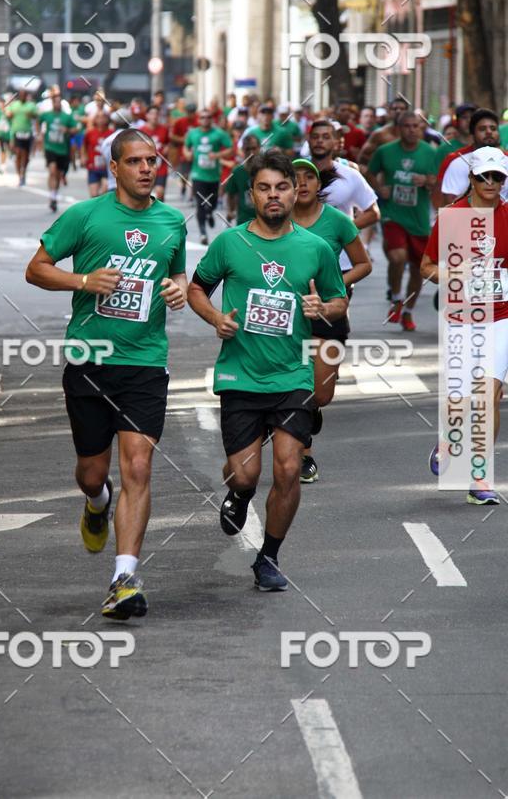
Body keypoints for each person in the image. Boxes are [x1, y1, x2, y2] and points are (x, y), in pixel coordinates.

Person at [25, 129, 188, 619]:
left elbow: (176, 272)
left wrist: (178, 289)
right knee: (92, 471)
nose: (145, 168)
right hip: (90, 359)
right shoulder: (86, 215)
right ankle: (97, 502)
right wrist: (82, 280)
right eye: (135, 161)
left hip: (144, 362)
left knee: (138, 464)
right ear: (113, 168)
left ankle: (124, 577)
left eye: (152, 160)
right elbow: (36, 268)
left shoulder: (171, 221)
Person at [187, 149, 347, 591]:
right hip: (240, 374)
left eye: (281, 187)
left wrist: (323, 307)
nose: (273, 196)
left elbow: (339, 300)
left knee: (290, 468)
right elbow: (197, 288)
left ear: (295, 192)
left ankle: (269, 558)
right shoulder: (230, 243)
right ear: (251, 194)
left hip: (292, 375)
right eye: (264, 188)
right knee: (245, 474)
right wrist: (215, 317)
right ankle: (238, 495)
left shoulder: (315, 248)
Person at [421, 147, 508, 505]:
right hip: (460, 319)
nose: (490, 183)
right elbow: (427, 267)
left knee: (489, 396)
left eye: (497, 177)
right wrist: (454, 273)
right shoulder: (452, 217)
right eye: (483, 176)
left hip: (501, 317)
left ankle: (480, 476)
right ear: (471, 178)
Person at [291, 158, 372, 483]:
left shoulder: (338, 221)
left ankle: (312, 412)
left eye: (308, 177)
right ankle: (303, 453)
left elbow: (363, 264)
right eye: (294, 178)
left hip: (330, 312)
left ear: (318, 183)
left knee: (321, 394)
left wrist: (336, 286)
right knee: (296, 385)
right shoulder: (275, 220)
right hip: (288, 314)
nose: (302, 183)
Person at [367, 111, 437, 330]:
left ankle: (407, 311)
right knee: (397, 257)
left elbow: (436, 181)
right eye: (407, 126)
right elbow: (369, 173)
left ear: (421, 129)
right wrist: (380, 189)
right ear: (399, 129)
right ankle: (396, 297)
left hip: (418, 218)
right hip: (392, 215)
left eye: (416, 126)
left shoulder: (430, 153)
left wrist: (426, 180)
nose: (412, 130)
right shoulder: (385, 151)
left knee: (419, 269)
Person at [303, 119, 381, 265]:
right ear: (308, 140)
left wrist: (344, 230)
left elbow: (373, 213)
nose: (319, 141)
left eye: (326, 137)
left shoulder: (350, 175)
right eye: (315, 137)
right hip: (302, 257)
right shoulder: (294, 172)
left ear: (335, 142)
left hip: (341, 261)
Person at [434, 108, 508, 207]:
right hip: (465, 220)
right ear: (472, 133)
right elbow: (444, 202)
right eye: (482, 129)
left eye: (493, 128)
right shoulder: (455, 161)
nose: (489, 132)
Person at [184, 108, 233, 245]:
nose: (205, 119)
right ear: (199, 119)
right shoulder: (193, 133)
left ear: (212, 119)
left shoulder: (219, 134)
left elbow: (230, 148)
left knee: (213, 202)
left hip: (213, 176)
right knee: (200, 204)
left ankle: (210, 213)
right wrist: (187, 153)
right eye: (203, 117)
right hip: (198, 175)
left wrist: (217, 155)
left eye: (208, 117)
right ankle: (203, 233)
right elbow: (186, 147)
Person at [38, 92, 78, 212]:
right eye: (55, 102)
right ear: (52, 103)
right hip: (50, 147)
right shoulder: (46, 115)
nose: (57, 104)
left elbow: (75, 129)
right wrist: (39, 134)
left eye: (59, 102)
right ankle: (52, 197)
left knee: (58, 174)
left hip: (63, 149)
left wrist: (67, 130)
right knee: (52, 171)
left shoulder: (67, 116)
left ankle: (55, 192)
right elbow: (38, 121)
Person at [358, 96, 410, 168]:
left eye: (402, 109)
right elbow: (362, 157)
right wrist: (381, 164)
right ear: (389, 112)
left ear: (407, 112)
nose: (398, 111)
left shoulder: (414, 134)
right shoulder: (380, 134)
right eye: (394, 109)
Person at [224, 134, 261, 224]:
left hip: (265, 220)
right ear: (242, 150)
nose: (251, 152)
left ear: (259, 148)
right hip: (244, 220)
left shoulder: (266, 169)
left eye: (254, 148)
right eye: (247, 149)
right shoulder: (237, 171)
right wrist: (230, 211)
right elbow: (230, 194)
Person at [6, 89, 37, 186]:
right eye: (21, 95)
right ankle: (19, 175)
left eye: (25, 95)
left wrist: (31, 115)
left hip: (27, 132)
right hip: (16, 132)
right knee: (18, 153)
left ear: (27, 96)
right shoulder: (14, 105)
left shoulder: (31, 105)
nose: (23, 96)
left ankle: (24, 172)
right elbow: (8, 115)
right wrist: (9, 114)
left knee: (26, 156)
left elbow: (36, 115)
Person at [140, 105, 170, 200]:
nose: (155, 116)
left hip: (160, 166)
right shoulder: (141, 131)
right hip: (146, 167)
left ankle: (159, 212)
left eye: (157, 114)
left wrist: (167, 148)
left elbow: (168, 143)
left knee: (160, 193)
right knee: (145, 194)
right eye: (152, 114)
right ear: (147, 116)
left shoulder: (164, 129)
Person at [435, 102, 475, 170]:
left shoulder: (482, 147)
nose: (469, 120)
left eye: (472, 117)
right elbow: (435, 178)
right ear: (456, 121)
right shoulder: (444, 149)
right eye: (464, 117)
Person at [169, 102, 197, 200]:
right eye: (189, 112)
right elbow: (172, 136)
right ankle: (184, 187)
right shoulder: (180, 122)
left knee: (195, 174)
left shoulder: (198, 121)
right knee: (185, 174)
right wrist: (183, 139)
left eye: (193, 112)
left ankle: (193, 194)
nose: (191, 114)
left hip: (197, 152)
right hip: (183, 151)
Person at [81, 112, 112, 197]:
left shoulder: (111, 133)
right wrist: (83, 156)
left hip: (107, 167)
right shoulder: (90, 133)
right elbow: (84, 146)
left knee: (105, 190)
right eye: (98, 117)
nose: (101, 120)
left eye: (103, 117)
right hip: (93, 166)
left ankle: (101, 205)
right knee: (93, 194)